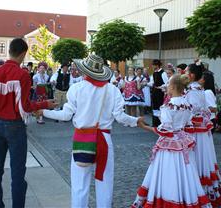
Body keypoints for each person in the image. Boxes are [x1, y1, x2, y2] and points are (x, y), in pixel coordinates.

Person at [40, 54, 145, 208]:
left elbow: (65, 115)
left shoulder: (76, 89)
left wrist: (44, 112)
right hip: (104, 139)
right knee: (105, 181)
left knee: (79, 184)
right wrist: (136, 121)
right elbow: (120, 116)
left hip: (83, 138)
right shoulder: (112, 90)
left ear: (85, 71)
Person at [0, 38, 55, 208]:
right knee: (17, 172)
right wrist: (44, 104)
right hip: (14, 125)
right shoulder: (22, 74)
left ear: (10, 50)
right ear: (23, 54)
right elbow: (24, 106)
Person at [132, 74, 211, 208]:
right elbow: (188, 127)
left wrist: (144, 126)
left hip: (169, 146)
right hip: (182, 143)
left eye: (168, 85)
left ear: (173, 87)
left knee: (168, 173)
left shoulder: (168, 106)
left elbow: (166, 130)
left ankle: (169, 198)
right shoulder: (187, 105)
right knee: (185, 173)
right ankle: (184, 197)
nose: (166, 87)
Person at [184, 61, 221, 207]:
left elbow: (193, 110)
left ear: (192, 75)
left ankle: (196, 187)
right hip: (199, 128)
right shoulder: (197, 89)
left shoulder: (192, 90)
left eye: (186, 71)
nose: (184, 74)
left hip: (194, 129)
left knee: (196, 156)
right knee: (200, 155)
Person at [151, 60, 168, 127]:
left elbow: (167, 83)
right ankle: (155, 123)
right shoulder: (154, 73)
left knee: (160, 106)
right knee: (154, 106)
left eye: (153, 65)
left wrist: (160, 87)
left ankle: (160, 123)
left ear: (157, 65)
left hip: (160, 92)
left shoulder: (163, 73)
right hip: (155, 91)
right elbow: (153, 82)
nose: (152, 66)